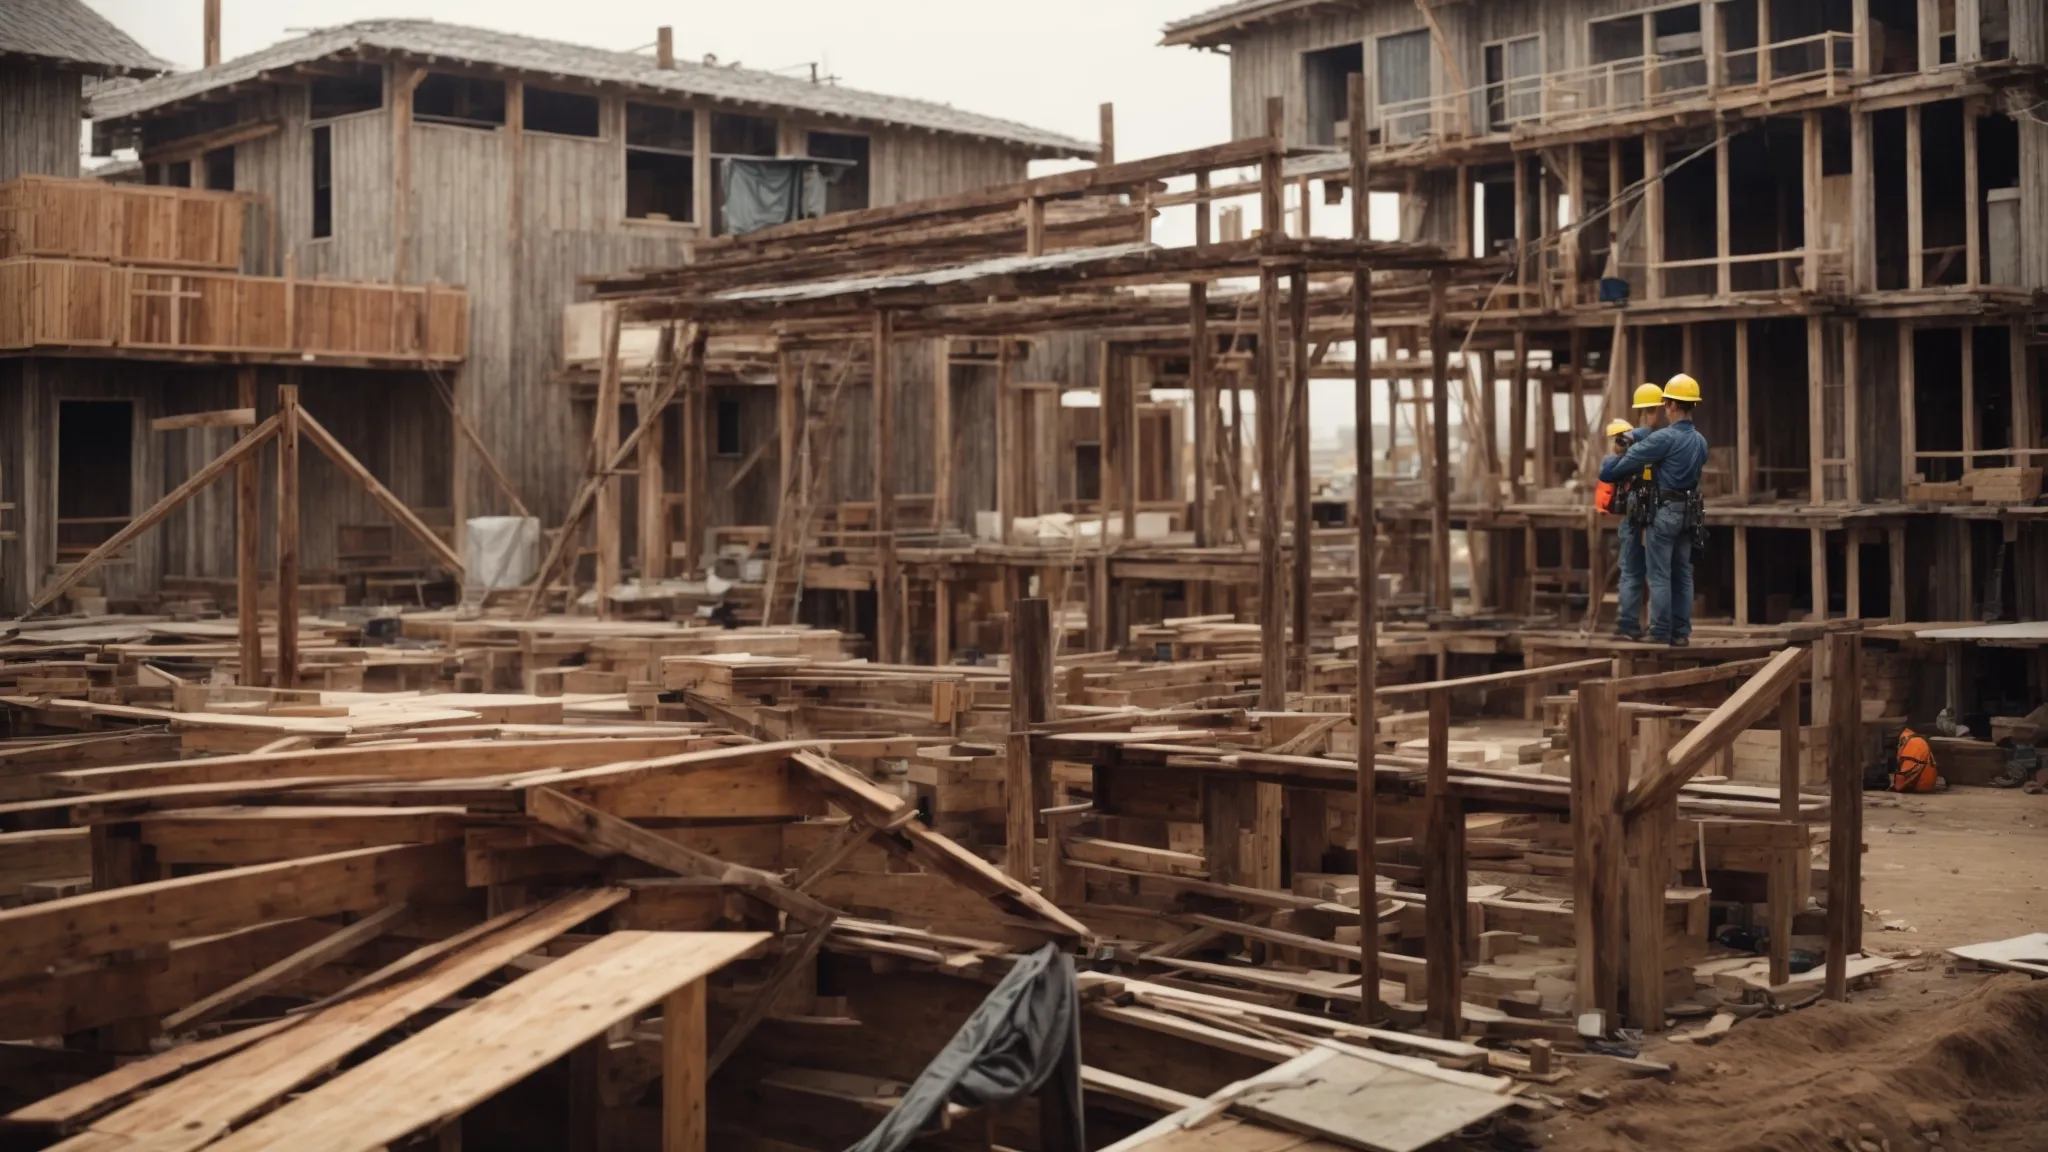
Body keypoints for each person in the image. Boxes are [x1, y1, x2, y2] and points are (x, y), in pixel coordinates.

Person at [1600, 373, 1708, 646]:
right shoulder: (1700, 442)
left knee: (1658, 574)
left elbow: (1613, 471)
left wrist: (1617, 454)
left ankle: (1659, 632)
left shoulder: (1665, 439)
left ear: (1671, 405)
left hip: (1666, 512)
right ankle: (1680, 634)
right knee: (1683, 573)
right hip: (1690, 513)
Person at [1606, 383, 1665, 640]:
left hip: (1632, 510)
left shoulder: (1627, 440)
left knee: (1631, 569)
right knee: (1658, 571)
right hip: (1655, 511)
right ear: (1657, 411)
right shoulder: (1663, 439)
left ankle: (1628, 624)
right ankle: (1658, 628)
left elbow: (1612, 469)